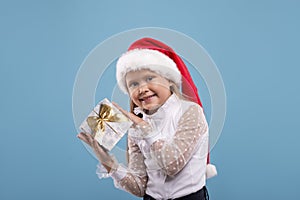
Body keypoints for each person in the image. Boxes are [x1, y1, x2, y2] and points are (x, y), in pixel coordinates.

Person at [77, 37, 217, 200]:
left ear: (170, 80)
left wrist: (146, 129)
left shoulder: (191, 112)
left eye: (150, 78)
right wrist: (107, 161)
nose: (142, 88)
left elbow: (172, 165)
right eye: (133, 84)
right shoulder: (136, 125)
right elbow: (139, 187)